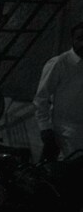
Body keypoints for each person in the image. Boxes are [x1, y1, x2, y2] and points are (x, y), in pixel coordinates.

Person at [34, 21, 83, 160]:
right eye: (80, 38)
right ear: (72, 40)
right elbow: (41, 97)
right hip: (65, 132)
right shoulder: (60, 63)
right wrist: (45, 127)